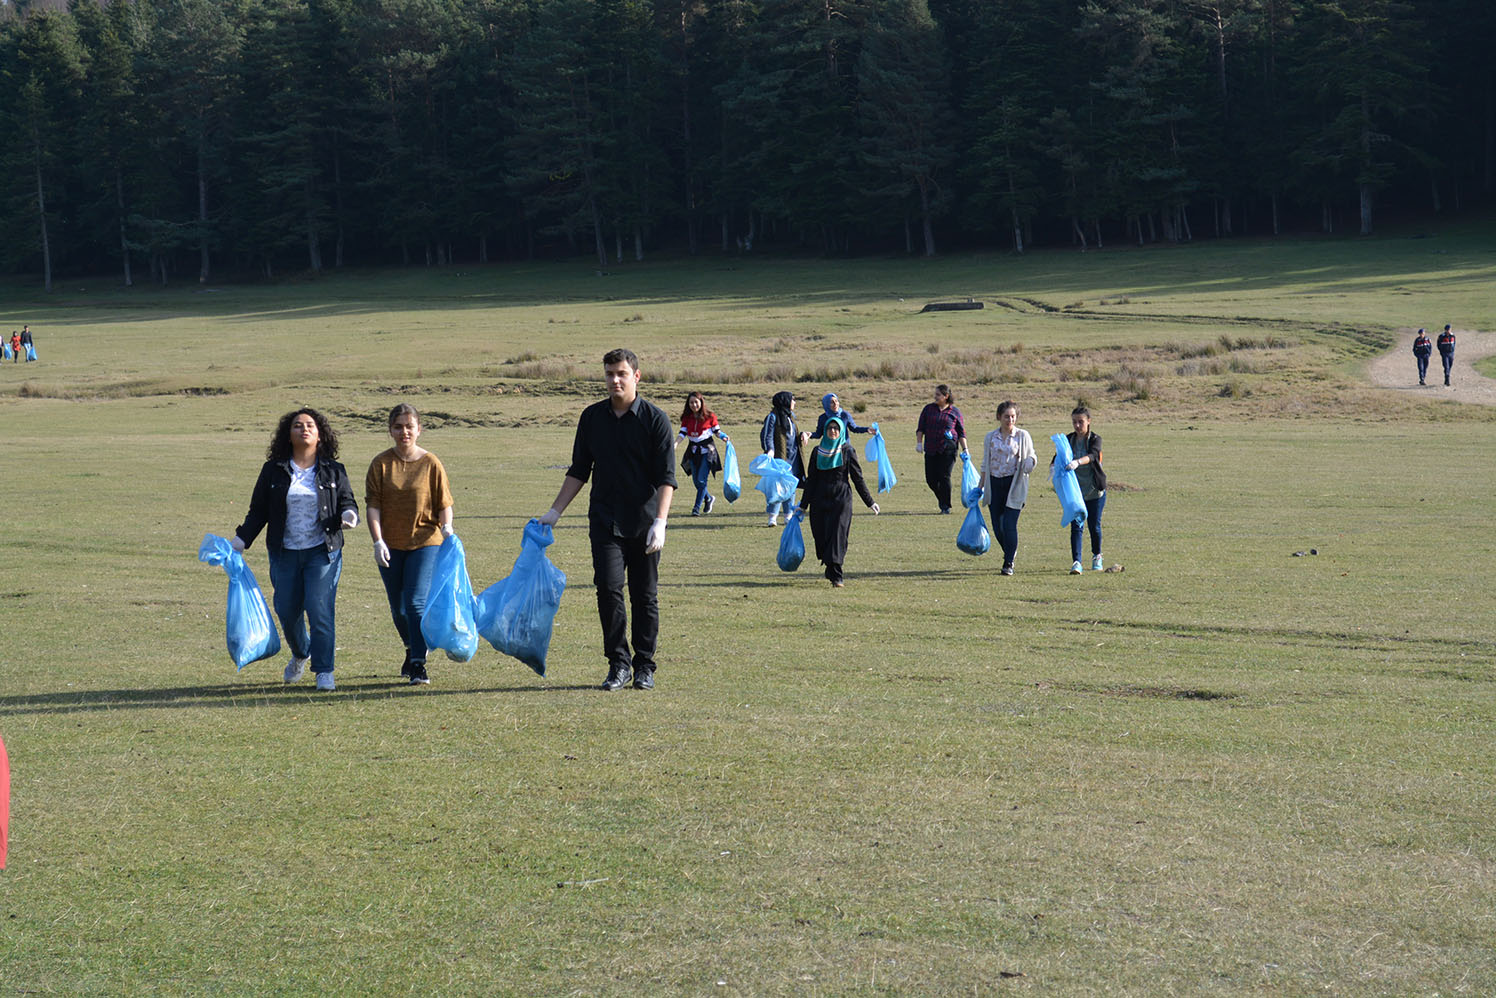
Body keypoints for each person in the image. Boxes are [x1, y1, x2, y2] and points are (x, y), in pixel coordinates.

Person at [540, 348, 676, 692]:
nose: (615, 380)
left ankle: (645, 665)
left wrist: (660, 521)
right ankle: (619, 664)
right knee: (608, 590)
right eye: (609, 374)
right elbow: (579, 470)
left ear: (636, 376)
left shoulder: (655, 420)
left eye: (621, 374)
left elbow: (666, 477)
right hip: (604, 520)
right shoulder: (592, 418)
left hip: (644, 522)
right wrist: (555, 511)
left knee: (644, 595)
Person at [231, 408, 359, 691]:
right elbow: (258, 510)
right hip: (284, 551)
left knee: (319, 608)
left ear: (320, 434)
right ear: (287, 435)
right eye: (297, 425)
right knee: (287, 611)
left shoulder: (334, 470)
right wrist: (241, 540)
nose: (304, 429)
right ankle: (302, 653)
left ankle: (324, 670)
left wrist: (349, 516)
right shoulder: (273, 470)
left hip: (322, 551)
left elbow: (348, 502)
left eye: (310, 425)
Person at [365, 404, 454, 686]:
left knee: (415, 604)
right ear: (390, 430)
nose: (404, 431)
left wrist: (448, 527)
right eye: (398, 426)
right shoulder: (380, 464)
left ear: (419, 429)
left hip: (426, 541)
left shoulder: (431, 463)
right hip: (391, 544)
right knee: (398, 609)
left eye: (409, 426)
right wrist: (377, 540)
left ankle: (418, 663)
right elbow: (373, 507)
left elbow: (445, 503)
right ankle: (411, 646)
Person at [796, 418, 879, 587]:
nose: (833, 431)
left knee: (837, 536)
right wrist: (803, 505)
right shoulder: (817, 451)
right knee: (821, 536)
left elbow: (858, 478)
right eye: (830, 428)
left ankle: (836, 575)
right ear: (825, 430)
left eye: (836, 428)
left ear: (841, 431)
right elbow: (811, 481)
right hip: (819, 499)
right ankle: (830, 567)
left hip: (841, 499)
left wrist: (870, 502)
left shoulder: (847, 450)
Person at [980, 400, 1036, 576]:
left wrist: (1031, 462)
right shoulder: (990, 437)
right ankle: (1010, 550)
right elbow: (985, 463)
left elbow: (1032, 455)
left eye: (1012, 416)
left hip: (1014, 485)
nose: (1009, 420)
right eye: (1006, 416)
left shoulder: (1022, 436)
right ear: (999, 417)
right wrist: (979, 486)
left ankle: (1008, 562)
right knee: (998, 527)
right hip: (994, 484)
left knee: (1009, 524)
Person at [1060, 406, 1107, 574]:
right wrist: (1053, 467)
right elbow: (1058, 457)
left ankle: (1097, 556)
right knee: (1076, 526)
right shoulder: (1068, 439)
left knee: (1094, 526)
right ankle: (1076, 562)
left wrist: (1077, 462)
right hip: (1075, 493)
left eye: (1081, 422)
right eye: (1074, 422)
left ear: (1089, 421)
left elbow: (1094, 455)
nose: (1077, 425)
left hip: (1094, 491)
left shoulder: (1095, 439)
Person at [914, 384, 968, 513]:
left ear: (946, 396)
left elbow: (961, 433)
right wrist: (919, 443)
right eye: (935, 394)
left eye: (938, 395)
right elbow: (921, 428)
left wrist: (965, 449)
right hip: (931, 448)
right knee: (931, 479)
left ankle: (945, 506)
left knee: (944, 476)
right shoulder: (928, 409)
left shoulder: (955, 412)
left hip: (948, 449)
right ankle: (942, 499)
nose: (935, 397)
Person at [759, 390, 809, 527]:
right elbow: (767, 435)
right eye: (792, 399)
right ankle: (772, 517)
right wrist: (769, 449)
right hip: (780, 457)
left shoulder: (790, 416)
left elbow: (793, 434)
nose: (794, 402)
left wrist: (803, 434)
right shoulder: (772, 417)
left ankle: (788, 515)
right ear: (785, 401)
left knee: (790, 485)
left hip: (794, 456)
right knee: (777, 487)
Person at [677, 391, 730, 516]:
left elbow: (717, 431)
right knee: (696, 481)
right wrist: (675, 444)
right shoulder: (686, 418)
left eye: (696, 402)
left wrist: (723, 436)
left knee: (701, 481)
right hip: (693, 452)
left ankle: (696, 509)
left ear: (701, 402)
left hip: (707, 452)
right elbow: (682, 434)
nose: (694, 405)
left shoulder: (710, 416)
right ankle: (708, 498)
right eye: (691, 402)